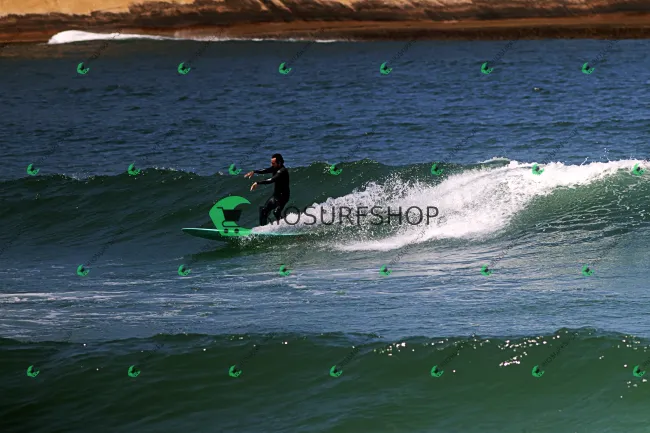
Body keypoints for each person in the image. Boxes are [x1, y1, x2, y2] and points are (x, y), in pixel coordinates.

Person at [245, 153, 290, 226]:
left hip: (283, 197)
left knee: (276, 212)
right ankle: (263, 229)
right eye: (271, 163)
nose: (271, 165)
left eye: (273, 163)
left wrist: (258, 183)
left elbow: (271, 180)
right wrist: (254, 171)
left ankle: (285, 226)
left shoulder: (282, 171)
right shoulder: (275, 168)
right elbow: (265, 170)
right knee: (263, 211)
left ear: (279, 163)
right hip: (276, 196)